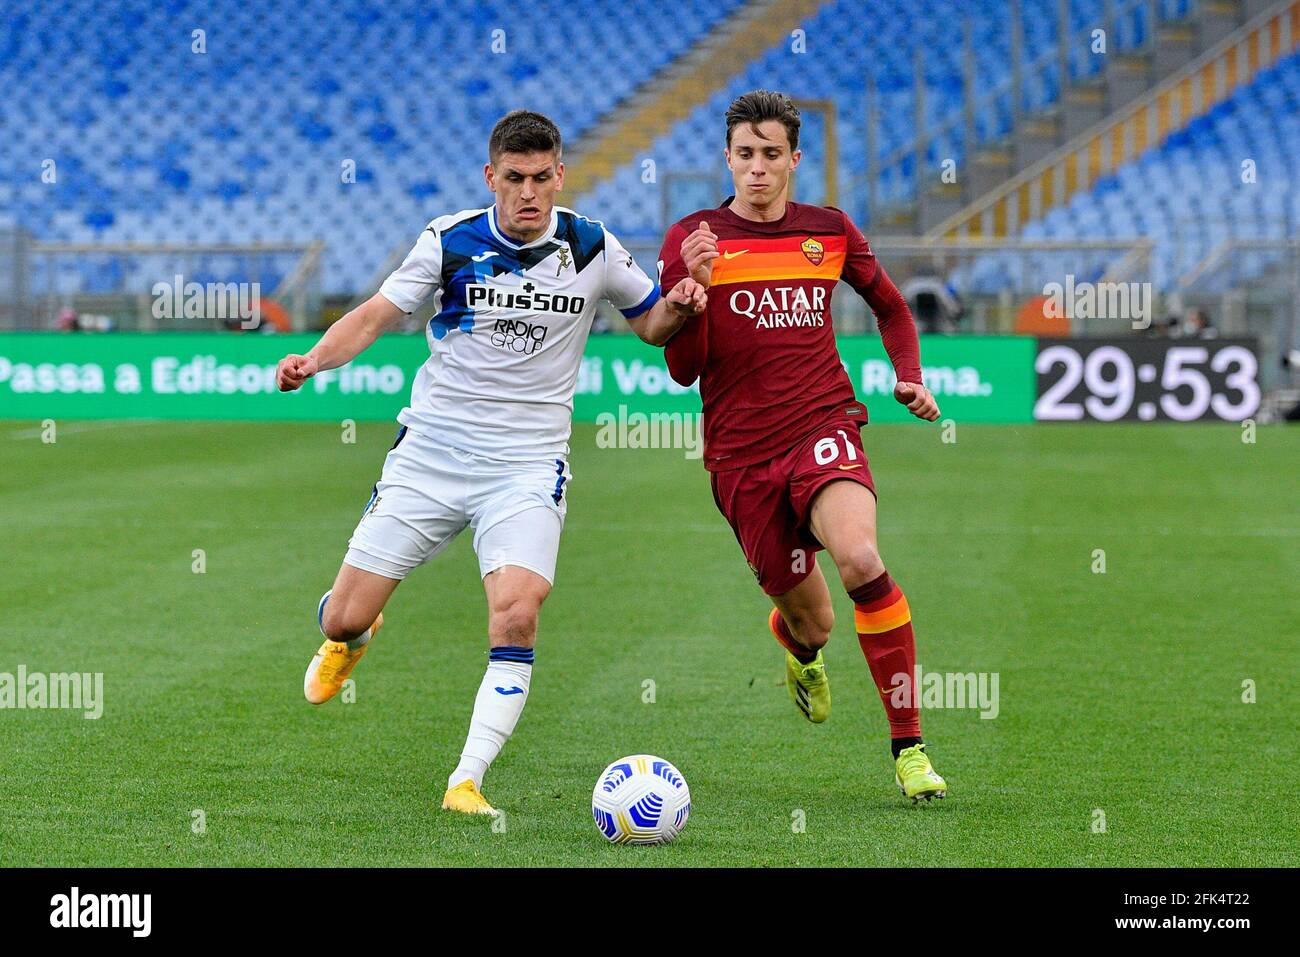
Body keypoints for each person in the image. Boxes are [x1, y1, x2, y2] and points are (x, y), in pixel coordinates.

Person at [275, 110, 705, 817]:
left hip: (528, 464)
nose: (529, 193)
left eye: (542, 178)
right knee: (342, 616)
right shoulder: (449, 240)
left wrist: (684, 305)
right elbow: (377, 315)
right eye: (515, 179)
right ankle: (355, 631)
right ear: (491, 177)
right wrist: (313, 360)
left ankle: (465, 780)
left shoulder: (592, 245)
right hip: (432, 455)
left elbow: (653, 325)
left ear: (560, 175)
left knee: (517, 611)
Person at [656, 90, 948, 803]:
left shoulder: (830, 230)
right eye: (745, 155)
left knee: (861, 559)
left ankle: (909, 748)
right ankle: (799, 646)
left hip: (824, 424)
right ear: (728, 158)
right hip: (740, 457)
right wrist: (693, 289)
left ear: (794, 159)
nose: (758, 169)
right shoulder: (692, 237)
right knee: (813, 618)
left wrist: (907, 376)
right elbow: (685, 367)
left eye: (771, 155)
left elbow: (890, 304)